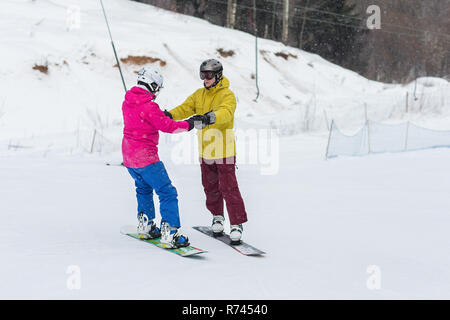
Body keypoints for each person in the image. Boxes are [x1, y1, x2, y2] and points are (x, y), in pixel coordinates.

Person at [165, 59, 248, 244]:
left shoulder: (228, 95)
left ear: (218, 75)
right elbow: (184, 108)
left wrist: (208, 117)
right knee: (210, 188)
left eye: (209, 75)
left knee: (229, 188)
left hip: (224, 151)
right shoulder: (199, 94)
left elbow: (226, 113)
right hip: (205, 152)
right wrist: (169, 115)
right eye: (202, 75)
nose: (205, 78)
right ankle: (218, 217)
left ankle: (236, 224)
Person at [122, 66, 199, 248]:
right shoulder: (149, 106)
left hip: (129, 157)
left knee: (143, 188)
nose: (157, 92)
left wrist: (158, 117)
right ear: (152, 84)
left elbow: (144, 120)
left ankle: (146, 225)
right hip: (146, 157)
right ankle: (170, 232)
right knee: (167, 192)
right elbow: (169, 127)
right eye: (157, 88)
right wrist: (189, 124)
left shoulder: (127, 102)